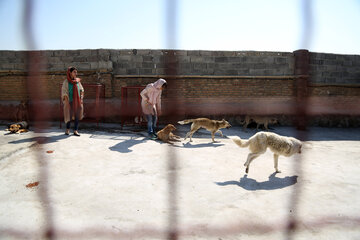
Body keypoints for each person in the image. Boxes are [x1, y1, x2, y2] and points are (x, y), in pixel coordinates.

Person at [61, 66, 84, 136]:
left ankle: (75, 130)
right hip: (69, 101)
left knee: (77, 115)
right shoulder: (66, 82)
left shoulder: (77, 81)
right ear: (70, 73)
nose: (76, 73)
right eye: (74, 72)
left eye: (76, 72)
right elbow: (64, 91)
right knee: (69, 115)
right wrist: (67, 100)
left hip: (77, 101)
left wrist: (81, 97)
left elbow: (81, 89)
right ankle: (67, 130)